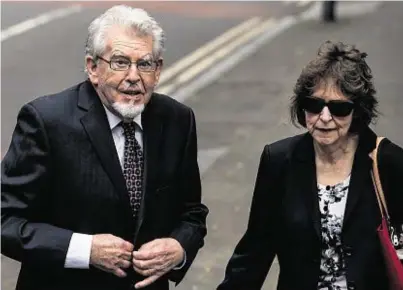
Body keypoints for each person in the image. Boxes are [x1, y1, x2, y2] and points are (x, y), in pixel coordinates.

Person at [1, 5, 208, 290]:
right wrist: (85, 250)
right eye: (120, 62)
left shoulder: (177, 120)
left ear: (157, 71)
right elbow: (6, 221)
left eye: (145, 63)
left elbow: (191, 212)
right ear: (92, 67)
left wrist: (179, 247)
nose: (134, 76)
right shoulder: (46, 122)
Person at [217, 41, 403, 290]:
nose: (325, 118)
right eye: (315, 106)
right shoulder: (280, 161)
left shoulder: (388, 162)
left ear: (357, 111)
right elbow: (255, 251)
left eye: (338, 108)